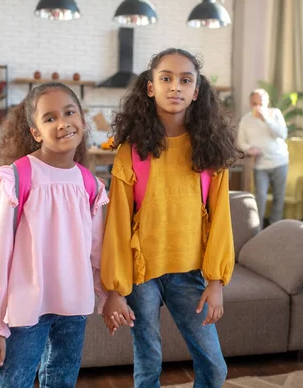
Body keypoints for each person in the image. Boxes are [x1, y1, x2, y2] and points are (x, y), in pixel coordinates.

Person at [101, 48, 241, 388]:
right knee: (147, 367)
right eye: (166, 78)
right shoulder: (130, 151)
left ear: (196, 91)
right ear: (151, 87)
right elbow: (117, 224)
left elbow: (221, 219)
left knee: (214, 368)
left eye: (185, 80)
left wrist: (217, 282)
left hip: (190, 273)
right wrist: (114, 290)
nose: (175, 86)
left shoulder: (211, 150)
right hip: (141, 274)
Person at [0, 82, 108, 387]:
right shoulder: (17, 177)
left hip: (73, 306)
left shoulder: (90, 185)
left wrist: (109, 294)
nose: (62, 123)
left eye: (69, 112)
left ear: (82, 120)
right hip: (26, 306)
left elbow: (96, 250)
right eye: (49, 118)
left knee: (62, 381)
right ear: (35, 132)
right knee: (15, 381)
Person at [236, 89, 289, 228]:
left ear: (267, 102)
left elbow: (282, 134)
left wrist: (267, 119)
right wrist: (249, 149)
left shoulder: (275, 113)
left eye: (261, 103)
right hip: (260, 165)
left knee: (279, 197)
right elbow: (241, 142)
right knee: (260, 198)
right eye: (254, 103)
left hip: (280, 161)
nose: (258, 106)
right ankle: (256, 230)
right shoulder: (245, 120)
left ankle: (275, 227)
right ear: (250, 103)